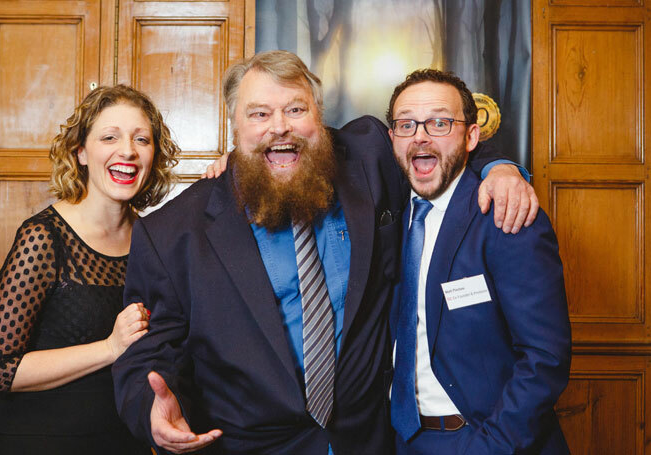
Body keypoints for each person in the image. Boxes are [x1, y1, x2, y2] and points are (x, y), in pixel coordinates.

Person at [112, 50, 535, 455]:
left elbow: (440, 143)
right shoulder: (171, 232)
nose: (280, 126)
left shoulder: (367, 156)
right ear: (234, 129)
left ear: (320, 118)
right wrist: (149, 410)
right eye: (259, 114)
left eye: (296, 110)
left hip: (369, 442)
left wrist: (502, 169)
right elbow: (148, 352)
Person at [0, 84, 179, 455]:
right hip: (39, 443)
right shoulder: (43, 238)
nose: (128, 151)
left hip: (124, 442)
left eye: (142, 139)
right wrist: (109, 347)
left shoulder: (156, 242)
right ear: (81, 152)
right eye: (110, 137)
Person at [386, 69, 571, 454]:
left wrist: (491, 446)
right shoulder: (386, 212)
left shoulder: (506, 212)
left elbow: (545, 357)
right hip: (403, 440)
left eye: (439, 122)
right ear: (393, 138)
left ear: (471, 136)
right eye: (406, 124)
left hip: (485, 440)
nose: (420, 135)